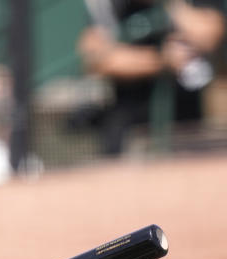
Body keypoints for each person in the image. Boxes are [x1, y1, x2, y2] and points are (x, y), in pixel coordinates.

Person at [77, 0, 226, 155]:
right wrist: (163, 60)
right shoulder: (108, 4)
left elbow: (210, 34)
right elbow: (97, 61)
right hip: (129, 123)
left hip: (184, 120)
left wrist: (171, 6)